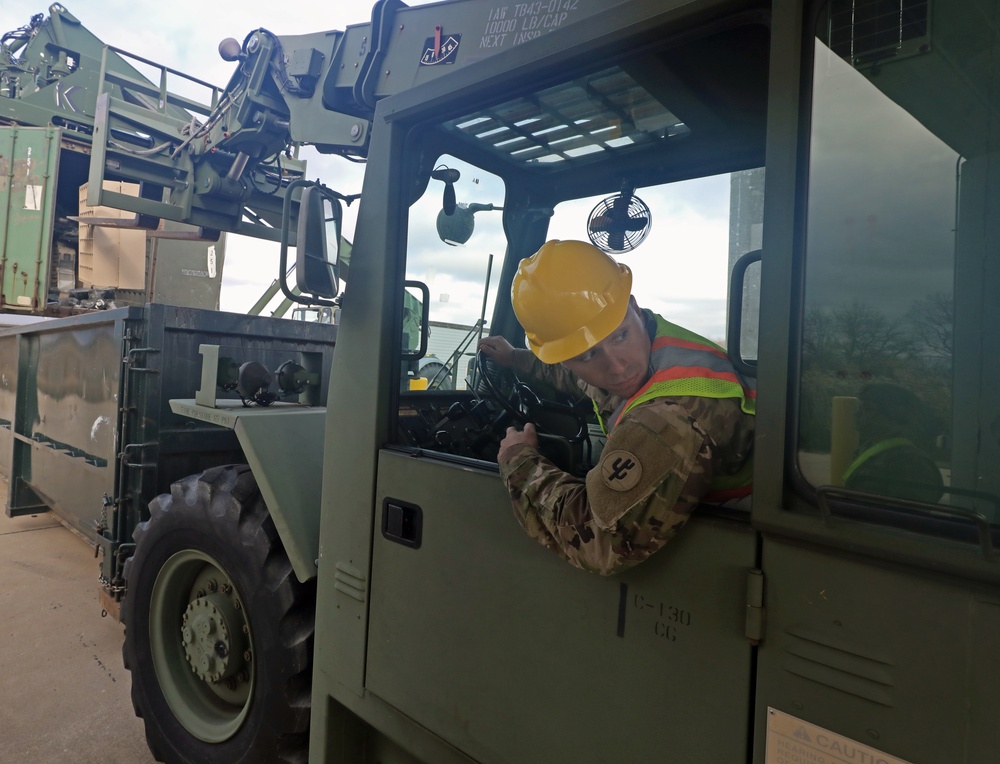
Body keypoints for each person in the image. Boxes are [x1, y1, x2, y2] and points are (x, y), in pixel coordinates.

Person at [478, 239, 756, 575]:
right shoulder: (655, 340)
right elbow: (573, 376)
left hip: (744, 541)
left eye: (620, 336)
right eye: (589, 354)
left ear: (635, 309)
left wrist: (519, 461)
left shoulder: (669, 417)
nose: (618, 367)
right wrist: (514, 358)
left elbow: (600, 541)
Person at [843, 382, 944, 503]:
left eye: (868, 409)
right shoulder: (870, 448)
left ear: (897, 416)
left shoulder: (913, 464)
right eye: (860, 408)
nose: (858, 414)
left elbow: (909, 517)